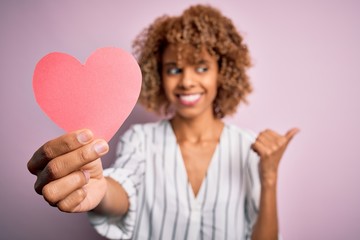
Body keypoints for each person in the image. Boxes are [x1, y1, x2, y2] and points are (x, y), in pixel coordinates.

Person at [27, 4, 299, 240]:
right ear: (159, 75)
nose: (187, 81)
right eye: (174, 69)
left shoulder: (251, 147)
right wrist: (99, 192)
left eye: (201, 67)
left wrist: (270, 177)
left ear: (223, 73)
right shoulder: (141, 140)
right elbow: (122, 192)